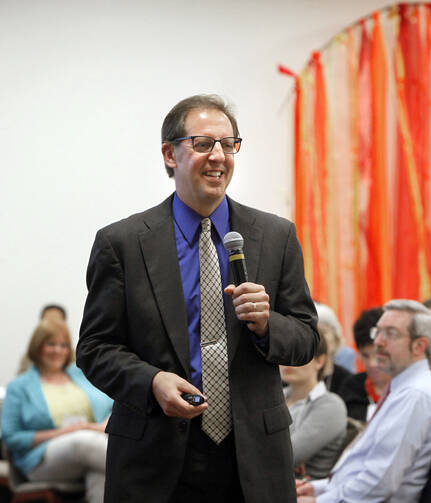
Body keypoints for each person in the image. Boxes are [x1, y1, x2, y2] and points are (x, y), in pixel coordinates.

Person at [76, 94, 319, 503]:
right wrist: (152, 381)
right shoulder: (122, 243)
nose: (219, 156)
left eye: (229, 144)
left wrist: (266, 324)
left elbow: (307, 340)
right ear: (170, 154)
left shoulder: (275, 236)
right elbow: (95, 348)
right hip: (154, 456)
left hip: (253, 462)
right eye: (203, 144)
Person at [295, 300, 431, 502]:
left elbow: (381, 483)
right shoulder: (402, 388)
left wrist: (320, 501)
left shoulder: (415, 395)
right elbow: (364, 468)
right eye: (377, 332)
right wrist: (316, 489)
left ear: (419, 346)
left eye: (390, 333)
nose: (378, 341)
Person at [2, 319, 112, 503]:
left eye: (63, 345)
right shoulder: (19, 387)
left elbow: (114, 407)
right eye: (51, 344)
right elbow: (11, 438)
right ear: (37, 346)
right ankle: (145, 469)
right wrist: (63, 433)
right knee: (82, 442)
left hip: (95, 444)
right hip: (41, 461)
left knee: (101, 475)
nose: (58, 351)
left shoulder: (82, 376)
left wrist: (102, 426)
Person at [282, 336, 347, 479]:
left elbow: (286, 457)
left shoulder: (331, 405)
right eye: (283, 352)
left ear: (320, 361)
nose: (287, 361)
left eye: (298, 354)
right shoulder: (274, 397)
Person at [337, 307, 389, 422]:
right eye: (365, 355)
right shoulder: (351, 389)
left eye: (378, 354)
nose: (372, 363)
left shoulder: (410, 386)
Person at [314, 303, 354, 394]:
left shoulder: (349, 381)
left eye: (323, 331)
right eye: (314, 332)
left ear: (336, 339)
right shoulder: (295, 378)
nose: (319, 338)